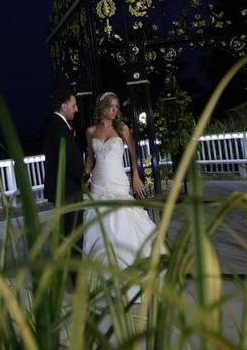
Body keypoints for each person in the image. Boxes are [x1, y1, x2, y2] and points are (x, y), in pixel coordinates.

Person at [82, 91, 163, 271]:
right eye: (111, 106)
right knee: (100, 224)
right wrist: (85, 176)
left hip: (117, 181)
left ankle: (130, 264)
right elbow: (90, 157)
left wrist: (135, 176)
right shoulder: (91, 131)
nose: (114, 110)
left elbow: (134, 155)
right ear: (102, 108)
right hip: (98, 183)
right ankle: (106, 270)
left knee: (122, 221)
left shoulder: (122, 129)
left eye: (117, 107)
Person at [41, 88, 85, 263]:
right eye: (73, 105)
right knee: (73, 233)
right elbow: (67, 159)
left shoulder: (53, 123)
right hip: (67, 188)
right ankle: (75, 278)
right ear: (63, 106)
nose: (76, 109)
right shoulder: (58, 126)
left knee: (65, 232)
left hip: (62, 188)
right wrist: (84, 176)